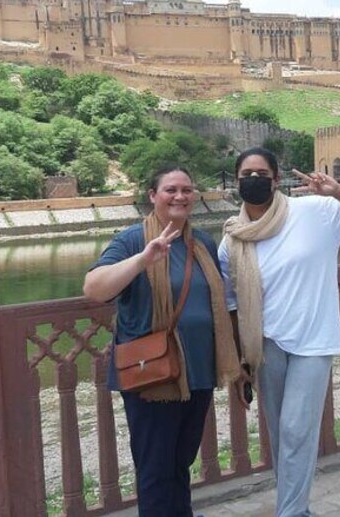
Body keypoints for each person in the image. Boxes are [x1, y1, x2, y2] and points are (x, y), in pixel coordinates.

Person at [219, 147, 340, 517]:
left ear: (276, 180)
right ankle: (294, 507)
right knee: (280, 432)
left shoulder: (313, 212)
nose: (253, 180)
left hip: (313, 341)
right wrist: (240, 360)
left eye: (261, 173)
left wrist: (336, 191)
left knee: (295, 429)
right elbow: (230, 304)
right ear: (237, 181)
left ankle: (290, 513)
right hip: (265, 345)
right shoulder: (234, 239)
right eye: (246, 174)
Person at [84, 165, 242, 517]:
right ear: (152, 196)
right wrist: (143, 259)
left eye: (187, 190)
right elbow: (94, 288)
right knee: (156, 467)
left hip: (198, 372)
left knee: (181, 460)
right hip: (153, 374)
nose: (180, 196)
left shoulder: (201, 242)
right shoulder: (132, 240)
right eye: (171, 190)